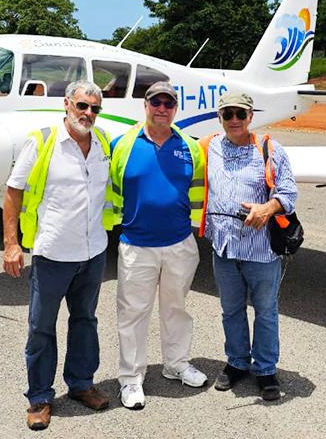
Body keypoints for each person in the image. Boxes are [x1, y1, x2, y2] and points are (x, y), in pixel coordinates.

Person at [2, 81, 113, 431]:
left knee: (85, 321)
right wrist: (11, 244)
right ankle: (39, 398)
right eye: (82, 106)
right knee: (41, 328)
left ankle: (81, 385)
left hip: (93, 252)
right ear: (66, 104)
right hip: (52, 253)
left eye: (95, 108)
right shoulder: (42, 142)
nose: (88, 114)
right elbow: (13, 192)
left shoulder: (103, 143)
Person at [106, 81, 207, 410]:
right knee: (133, 313)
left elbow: (197, 193)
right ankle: (131, 378)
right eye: (156, 102)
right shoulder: (122, 145)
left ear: (175, 109)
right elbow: (111, 192)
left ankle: (175, 364)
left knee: (175, 308)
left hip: (179, 244)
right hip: (137, 245)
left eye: (168, 103)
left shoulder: (190, 147)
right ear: (145, 105)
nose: (162, 109)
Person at [198, 92, 297, 401]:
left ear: (251, 116)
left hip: (261, 251)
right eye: (228, 114)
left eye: (240, 113)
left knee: (266, 311)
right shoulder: (210, 146)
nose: (234, 120)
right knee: (231, 310)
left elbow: (289, 193)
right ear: (220, 118)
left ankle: (266, 369)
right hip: (224, 249)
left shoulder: (269, 148)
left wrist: (267, 209)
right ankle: (237, 362)